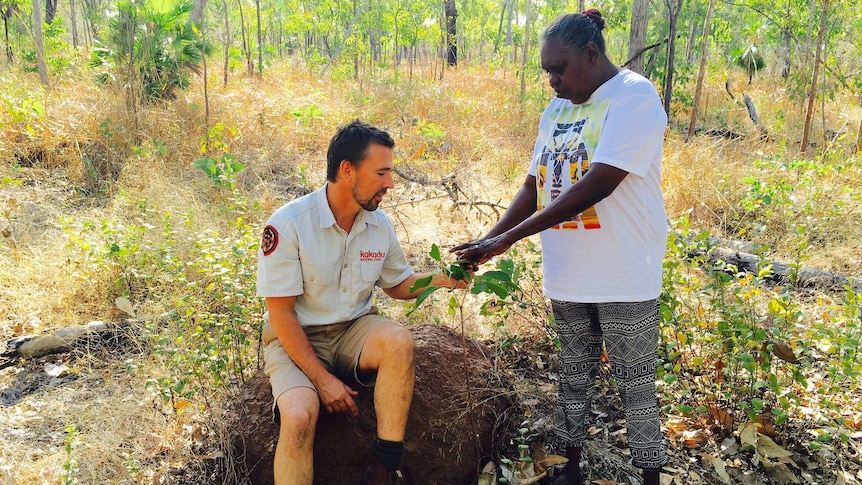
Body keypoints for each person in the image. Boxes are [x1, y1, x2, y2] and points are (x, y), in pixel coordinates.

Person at [452, 10, 668, 485]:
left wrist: (511, 237)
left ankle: (650, 476)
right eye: (547, 70)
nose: (552, 80)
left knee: (635, 383)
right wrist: (492, 239)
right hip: (569, 270)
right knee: (573, 373)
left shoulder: (634, 96)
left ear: (592, 55)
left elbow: (599, 183)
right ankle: (570, 469)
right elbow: (535, 185)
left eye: (560, 68)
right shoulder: (557, 110)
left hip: (624, 272)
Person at [257, 120, 465, 485]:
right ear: (347, 170)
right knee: (300, 415)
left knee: (398, 341)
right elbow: (281, 315)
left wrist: (446, 278)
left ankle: (385, 467)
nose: (390, 183)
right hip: (296, 338)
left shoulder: (378, 223)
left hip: (353, 329)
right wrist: (322, 381)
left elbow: (398, 284)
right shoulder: (289, 224)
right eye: (381, 173)